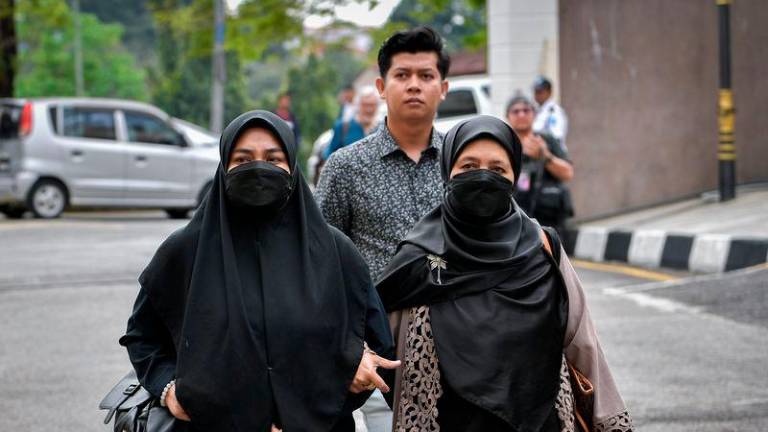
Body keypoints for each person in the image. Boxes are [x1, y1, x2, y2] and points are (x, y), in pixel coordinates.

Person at [119, 110, 399, 432]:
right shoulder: (185, 250)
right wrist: (169, 390)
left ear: (292, 168)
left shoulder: (335, 251)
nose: (258, 169)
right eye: (243, 159)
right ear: (223, 168)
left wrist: (355, 363)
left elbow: (374, 335)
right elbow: (143, 337)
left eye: (273, 159)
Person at [377, 115, 633, 432]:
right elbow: (379, 340)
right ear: (447, 172)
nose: (483, 178)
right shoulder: (418, 257)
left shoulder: (542, 247)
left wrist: (609, 421)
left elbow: (583, 344)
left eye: (497, 170)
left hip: (542, 421)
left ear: (514, 176)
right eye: (468, 167)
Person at [315, 26, 450, 432]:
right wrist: (345, 349)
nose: (414, 86)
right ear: (381, 85)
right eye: (402, 75)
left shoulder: (462, 164)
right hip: (376, 355)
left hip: (459, 347)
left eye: (426, 76)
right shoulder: (345, 167)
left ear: (443, 87)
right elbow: (320, 265)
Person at [507, 94, 574, 236]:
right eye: (516, 111)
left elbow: (568, 173)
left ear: (534, 114)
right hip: (516, 220)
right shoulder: (504, 144)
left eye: (526, 110)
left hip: (549, 219)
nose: (521, 115)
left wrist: (545, 156)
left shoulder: (547, 140)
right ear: (508, 116)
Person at [323, 86, 381, 160]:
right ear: (357, 105)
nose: (368, 109)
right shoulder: (343, 127)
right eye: (365, 105)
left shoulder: (383, 128)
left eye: (372, 105)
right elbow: (329, 155)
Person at [532, 75, 569, 148]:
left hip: (554, 153)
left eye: (540, 92)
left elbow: (556, 137)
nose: (537, 95)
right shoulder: (538, 110)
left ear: (549, 92)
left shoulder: (554, 112)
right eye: (536, 92)